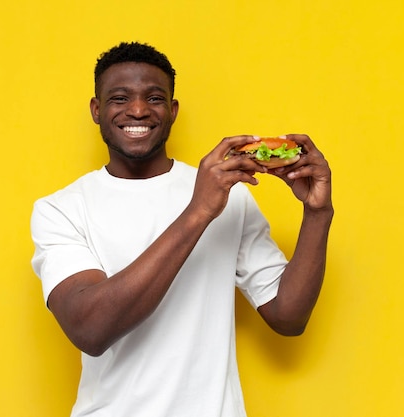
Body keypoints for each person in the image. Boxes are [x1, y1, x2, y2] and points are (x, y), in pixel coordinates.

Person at [30, 41, 333, 417]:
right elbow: (90, 329)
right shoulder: (60, 210)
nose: (138, 110)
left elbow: (288, 317)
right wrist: (198, 212)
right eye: (119, 98)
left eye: (154, 98)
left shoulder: (230, 197)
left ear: (172, 111)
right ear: (97, 109)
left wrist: (318, 213)